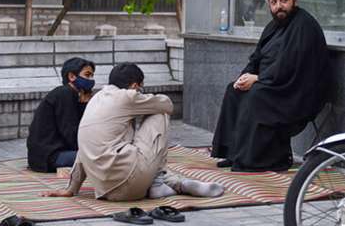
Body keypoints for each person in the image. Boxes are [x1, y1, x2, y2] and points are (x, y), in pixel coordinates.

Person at [42, 63, 223, 201]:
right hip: (130, 184)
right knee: (159, 113)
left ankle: (175, 183)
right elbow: (166, 103)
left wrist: (71, 189)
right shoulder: (127, 96)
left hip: (105, 192)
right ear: (135, 85)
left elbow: (84, 150)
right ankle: (159, 183)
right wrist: (142, 100)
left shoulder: (96, 99)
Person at [211, 0, 332, 172]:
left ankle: (260, 159)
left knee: (257, 94)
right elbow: (257, 57)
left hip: (297, 90)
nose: (279, 6)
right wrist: (245, 76)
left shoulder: (304, 25)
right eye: (274, 2)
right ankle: (235, 154)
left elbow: (291, 64)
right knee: (234, 91)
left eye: (284, 0)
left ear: (294, 1)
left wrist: (258, 79)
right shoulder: (272, 27)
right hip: (274, 83)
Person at [26, 57, 95, 172]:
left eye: (92, 75)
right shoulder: (64, 94)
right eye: (87, 75)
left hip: (54, 153)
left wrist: (84, 104)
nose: (91, 80)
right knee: (100, 157)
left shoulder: (73, 95)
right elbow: (71, 134)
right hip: (49, 156)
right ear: (72, 76)